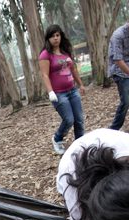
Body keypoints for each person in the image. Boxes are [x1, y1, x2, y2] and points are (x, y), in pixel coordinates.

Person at [39, 24, 86, 155]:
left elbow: (73, 69)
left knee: (79, 119)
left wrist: (81, 84)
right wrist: (50, 92)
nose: (55, 38)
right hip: (59, 94)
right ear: (48, 38)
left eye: (57, 35)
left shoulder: (65, 52)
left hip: (72, 90)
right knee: (69, 119)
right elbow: (44, 75)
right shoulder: (45, 55)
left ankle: (80, 145)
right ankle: (57, 138)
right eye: (53, 36)